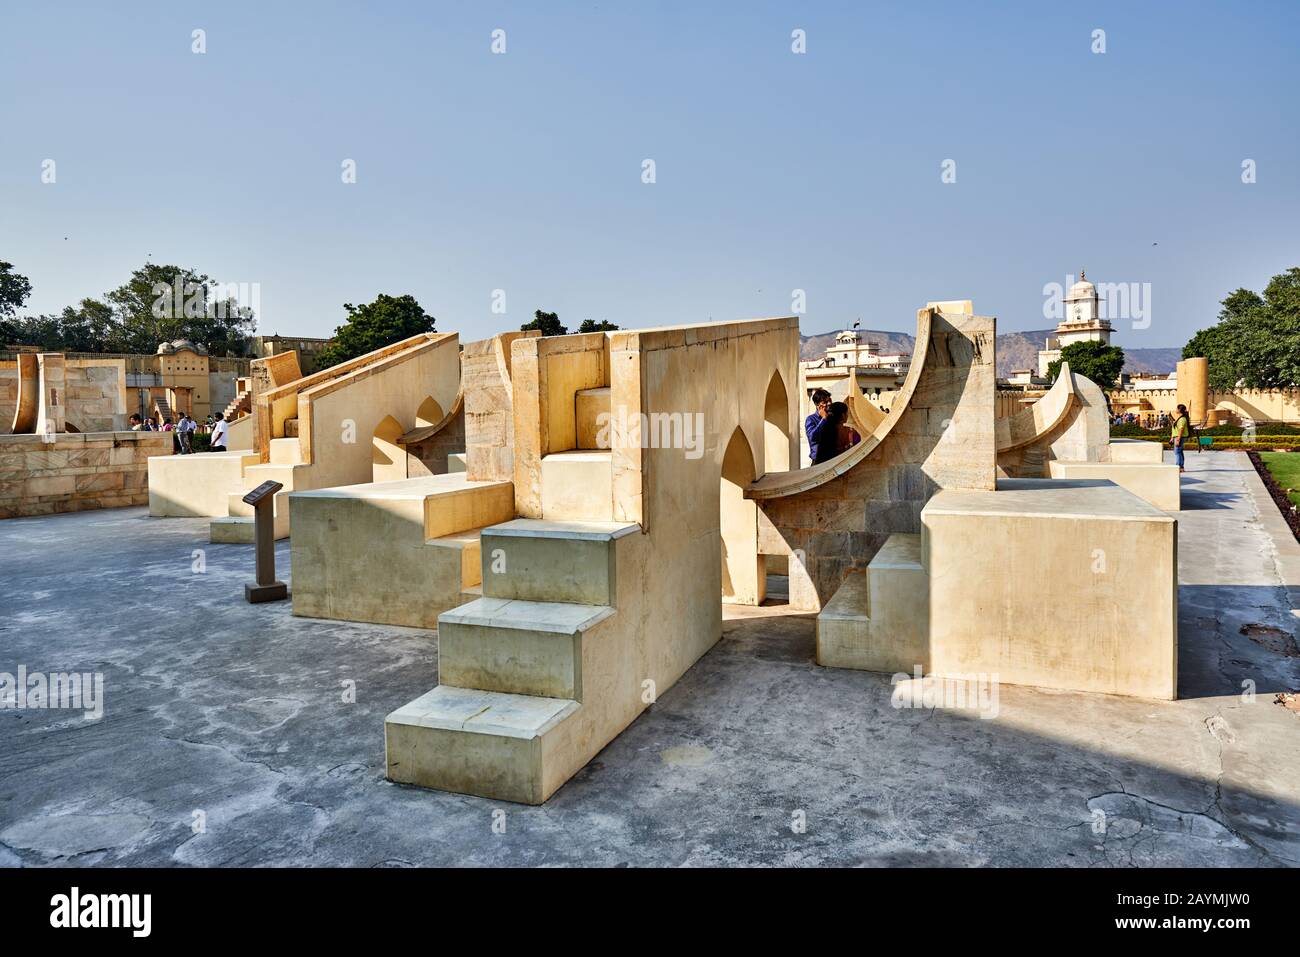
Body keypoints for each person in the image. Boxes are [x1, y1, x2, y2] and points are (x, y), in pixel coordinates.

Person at [804, 389, 832, 465]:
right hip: (818, 461)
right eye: (825, 402)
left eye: (829, 401)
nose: (829, 404)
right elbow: (812, 437)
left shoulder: (831, 418)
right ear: (817, 405)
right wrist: (823, 419)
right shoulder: (811, 419)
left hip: (831, 459)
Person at [1171, 403, 1191, 473]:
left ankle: (1178, 467)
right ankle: (1181, 467)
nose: (1176, 410)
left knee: (1177, 452)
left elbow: (1181, 429)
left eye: (1177, 408)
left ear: (1179, 410)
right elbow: (1176, 429)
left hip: (1180, 437)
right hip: (1178, 436)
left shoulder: (1182, 419)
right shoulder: (1180, 418)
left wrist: (1178, 439)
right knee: (1180, 452)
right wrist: (1172, 438)